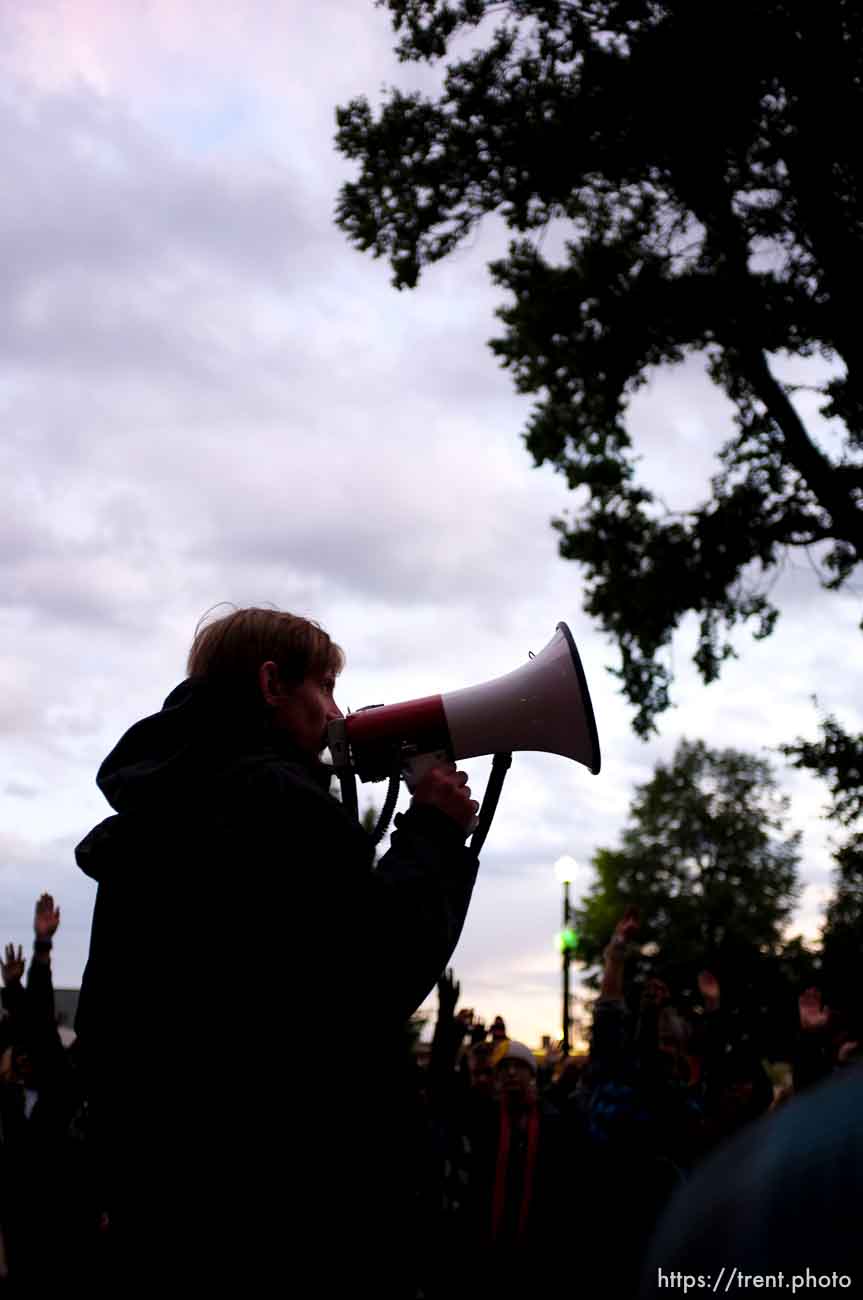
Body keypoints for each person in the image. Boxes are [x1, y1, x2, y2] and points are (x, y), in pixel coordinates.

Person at [74, 606, 482, 1293]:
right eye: (323, 686)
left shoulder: (155, 810)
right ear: (271, 684)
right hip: (284, 1209)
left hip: (168, 1208)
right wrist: (434, 836)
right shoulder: (276, 801)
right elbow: (370, 974)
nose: (335, 710)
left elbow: (107, 1028)